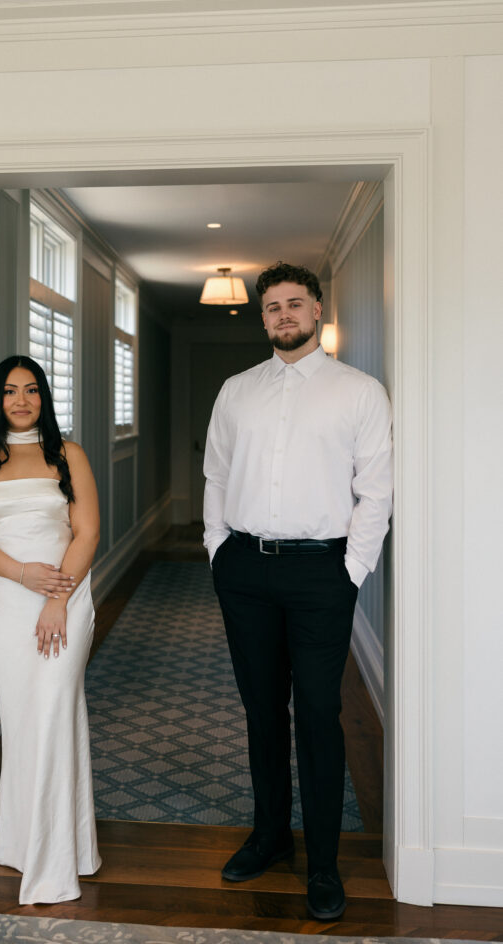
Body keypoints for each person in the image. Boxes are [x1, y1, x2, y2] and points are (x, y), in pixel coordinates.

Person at [203, 263, 392, 921]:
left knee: (317, 716)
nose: (283, 315)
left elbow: (375, 492)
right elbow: (215, 476)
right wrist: (216, 550)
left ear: (316, 310)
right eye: (272, 307)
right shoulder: (236, 391)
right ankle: (269, 834)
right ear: (262, 317)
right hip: (245, 571)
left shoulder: (358, 391)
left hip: (321, 576)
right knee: (260, 710)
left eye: (294, 304)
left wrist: (350, 572)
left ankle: (322, 864)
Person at [0, 355, 101, 904]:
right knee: (23, 720)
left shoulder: (69, 454)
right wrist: (21, 574)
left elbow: (86, 532)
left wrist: (57, 596)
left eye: (32, 390)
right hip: (4, 601)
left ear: (44, 397)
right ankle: (25, 843)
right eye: (11, 391)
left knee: (53, 712)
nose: (21, 400)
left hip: (65, 597)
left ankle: (53, 862)